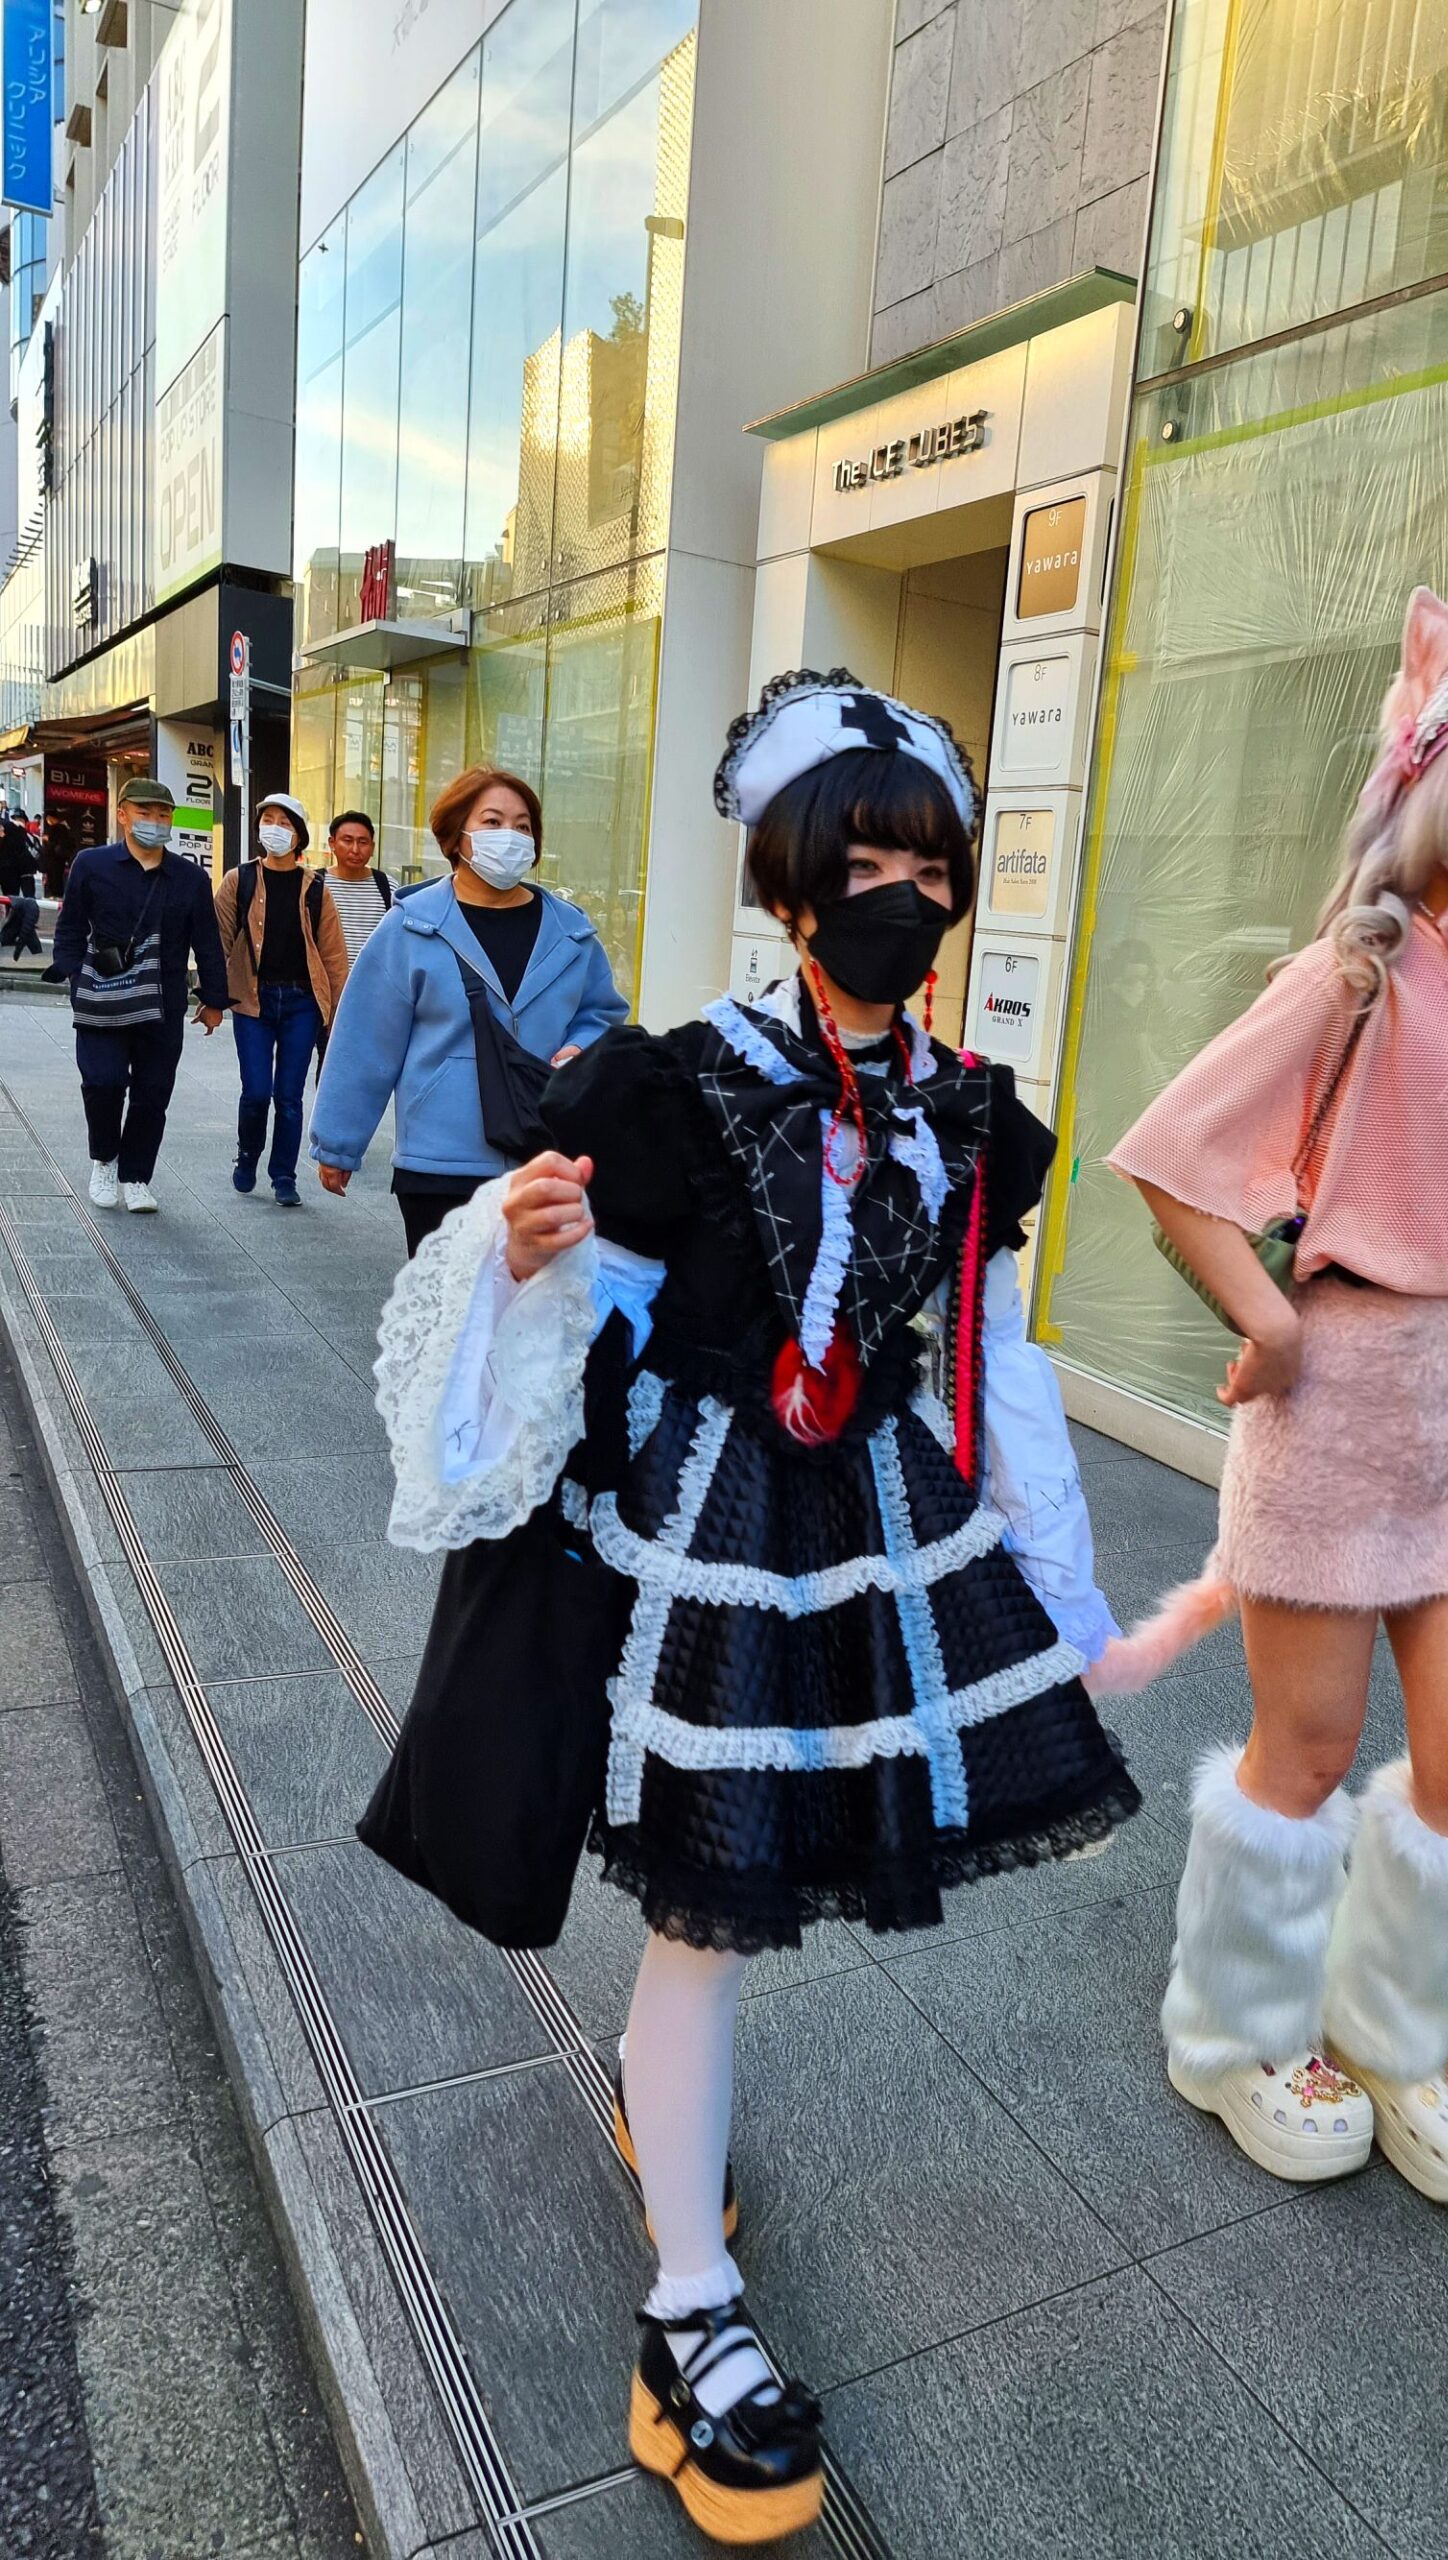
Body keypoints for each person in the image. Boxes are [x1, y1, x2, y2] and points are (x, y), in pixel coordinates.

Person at [358, 672, 1138, 2543]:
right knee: (705, 1919)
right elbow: (593, 1314)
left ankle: (671, 2138)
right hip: (697, 1534)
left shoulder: (975, 1117)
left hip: (869, 1531)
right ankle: (688, 2309)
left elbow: (993, 1355)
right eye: (858, 867)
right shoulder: (669, 1083)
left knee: (746, 1901)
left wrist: (1059, 1588)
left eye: (926, 870)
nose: (899, 901)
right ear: (787, 887)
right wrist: (517, 1255)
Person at [1105, 589, 1448, 2208]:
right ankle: (1236, 2036)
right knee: (1308, 1755)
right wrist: (1268, 1321)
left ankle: (1390, 2035)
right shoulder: (1349, 974)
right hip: (1333, 1412)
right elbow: (1174, 1160)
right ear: (1424, 771)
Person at [309, 766, 626, 1255]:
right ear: (456, 835)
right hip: (438, 1163)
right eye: (493, 822)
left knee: (537, 1298)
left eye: (523, 826)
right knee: (448, 1299)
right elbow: (365, 1038)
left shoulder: (571, 931)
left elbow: (602, 1014)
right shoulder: (411, 928)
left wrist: (581, 1047)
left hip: (544, 1156)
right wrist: (338, 1142)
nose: (510, 836)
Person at [50, 778, 228, 1212]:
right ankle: (104, 1159)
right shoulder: (92, 864)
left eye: (163, 814)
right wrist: (74, 975)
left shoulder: (189, 878)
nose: (154, 821)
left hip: (163, 1002)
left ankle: (136, 1177)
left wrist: (214, 999)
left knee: (153, 1093)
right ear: (123, 814)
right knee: (103, 1082)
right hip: (102, 996)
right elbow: (70, 926)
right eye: (144, 813)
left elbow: (207, 941)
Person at [213, 794, 351, 1208]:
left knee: (289, 1096)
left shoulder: (316, 889)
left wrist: (338, 1016)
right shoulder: (239, 880)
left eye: (285, 823)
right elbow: (217, 941)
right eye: (268, 820)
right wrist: (211, 997)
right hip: (251, 1000)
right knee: (256, 1091)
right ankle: (248, 1154)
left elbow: (333, 957)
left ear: (299, 836)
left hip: (301, 1002)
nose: (274, 828)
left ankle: (284, 1176)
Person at [321, 808, 393, 971]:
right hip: (326, 981)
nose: (355, 849)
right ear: (332, 843)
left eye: (363, 842)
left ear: (372, 847)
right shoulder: (315, 884)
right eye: (347, 841)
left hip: (372, 981)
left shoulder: (387, 886)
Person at [0, 882, 43, 960]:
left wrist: (17, 952)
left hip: (22, 911)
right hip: (20, 910)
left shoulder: (26, 908)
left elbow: (25, 930)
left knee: (26, 933)